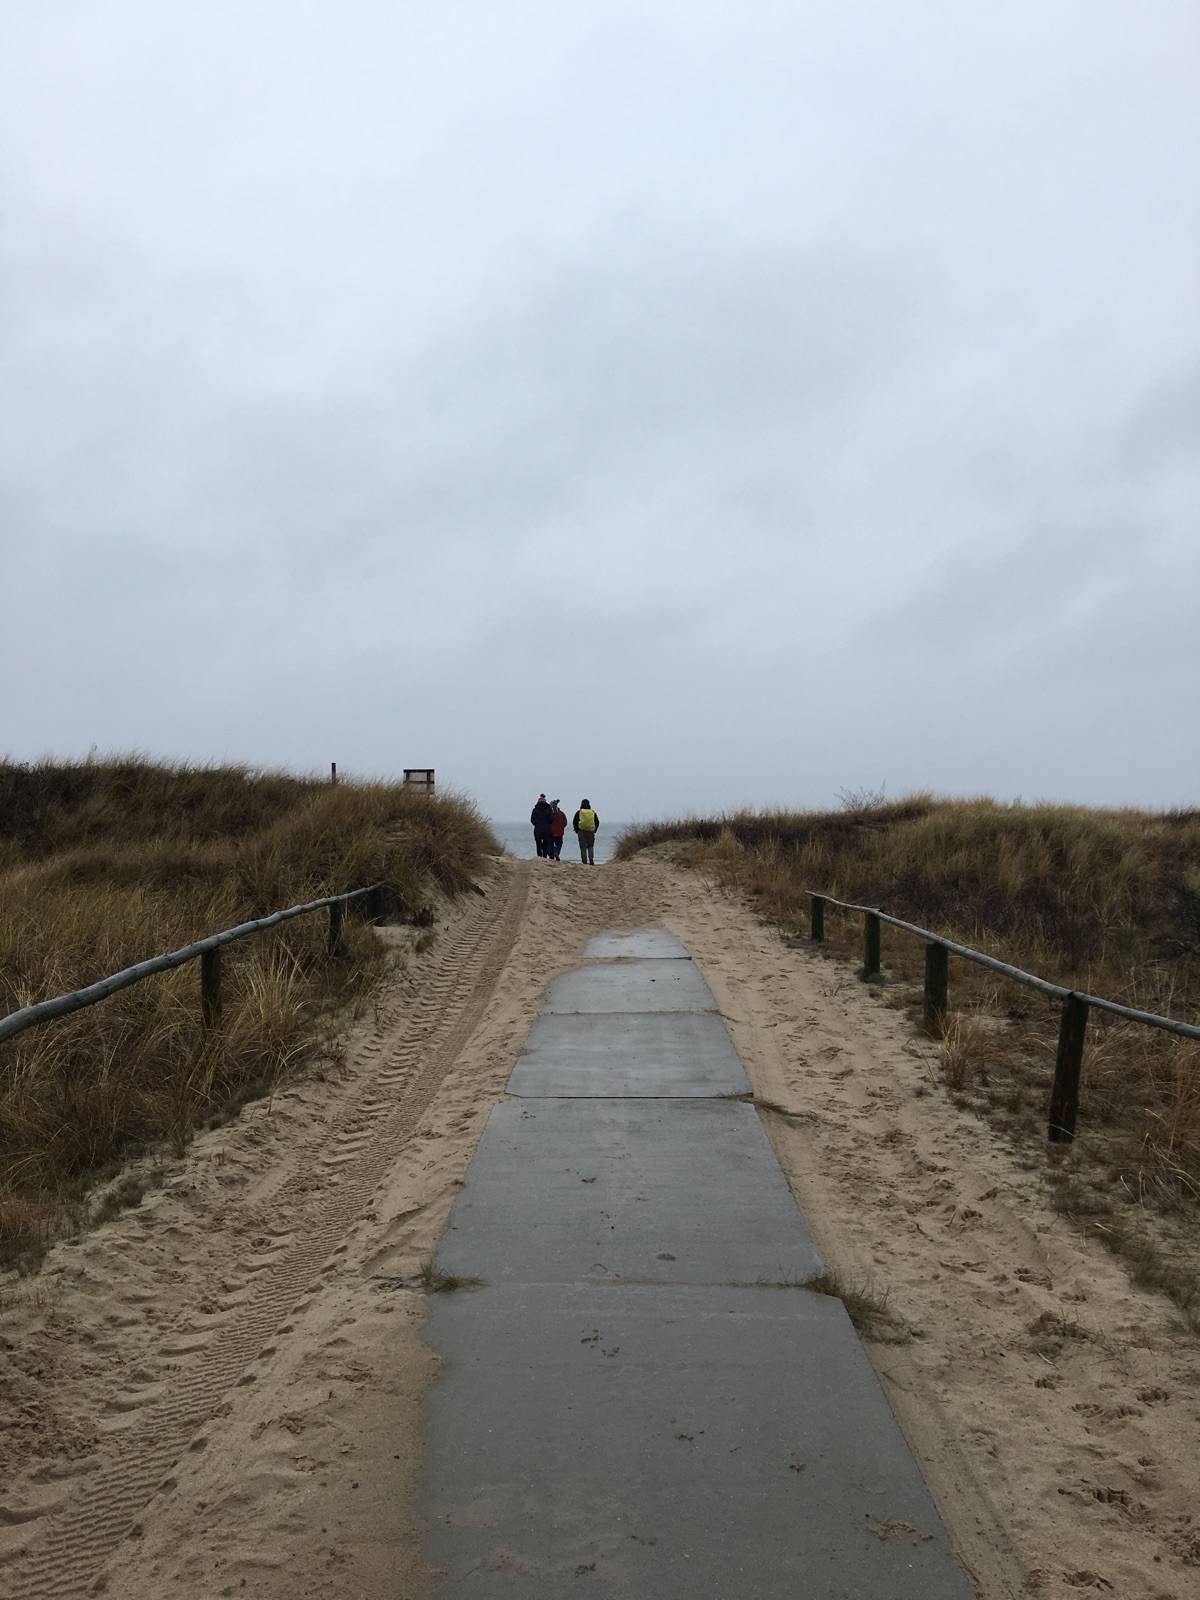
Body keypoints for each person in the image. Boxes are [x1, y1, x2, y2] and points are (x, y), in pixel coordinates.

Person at [573, 798, 599, 865]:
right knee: (590, 846)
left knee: (583, 847)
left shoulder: (579, 812)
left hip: (581, 831)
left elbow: (575, 822)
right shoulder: (593, 812)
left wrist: (577, 830)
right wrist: (594, 830)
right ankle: (591, 859)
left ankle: (584, 861)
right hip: (591, 831)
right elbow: (597, 822)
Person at [530, 793, 553, 858]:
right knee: (546, 843)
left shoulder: (535, 810)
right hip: (547, 829)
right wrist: (548, 824)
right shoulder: (549, 809)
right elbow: (551, 819)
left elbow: (532, 820)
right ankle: (544, 856)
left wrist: (537, 824)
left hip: (538, 829)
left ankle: (539, 856)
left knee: (538, 843)